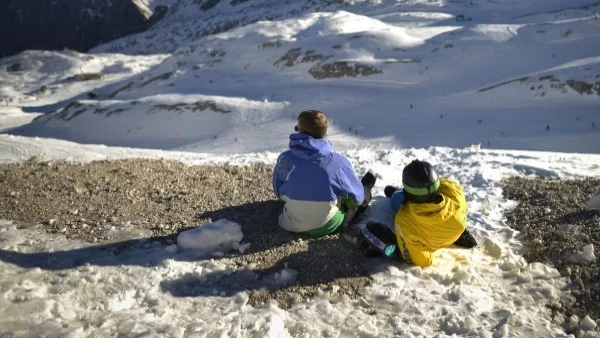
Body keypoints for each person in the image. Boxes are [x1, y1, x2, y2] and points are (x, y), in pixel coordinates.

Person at [272, 110, 376, 236]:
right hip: (327, 225)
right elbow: (356, 199)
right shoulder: (339, 163)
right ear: (324, 133)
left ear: (301, 132)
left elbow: (277, 191)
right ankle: (362, 194)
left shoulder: (285, 159)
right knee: (358, 196)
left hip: (290, 222)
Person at [382, 160, 477, 267]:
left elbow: (423, 261)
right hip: (455, 229)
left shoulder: (404, 220)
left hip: (425, 235)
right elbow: (444, 184)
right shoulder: (455, 194)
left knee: (397, 198)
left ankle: (396, 193)